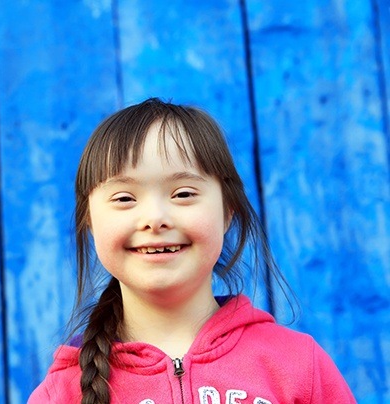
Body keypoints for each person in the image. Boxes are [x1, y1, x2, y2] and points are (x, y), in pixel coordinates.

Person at [28, 98, 355, 403]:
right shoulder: (61, 392)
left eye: (183, 194)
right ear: (90, 221)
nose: (155, 219)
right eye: (125, 198)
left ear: (227, 212)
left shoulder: (298, 364)